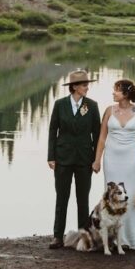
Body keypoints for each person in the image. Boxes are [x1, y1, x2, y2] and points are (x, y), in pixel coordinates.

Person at [92, 78, 135, 251]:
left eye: (116, 90)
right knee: (111, 195)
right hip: (111, 158)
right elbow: (102, 137)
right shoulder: (109, 111)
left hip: (132, 159)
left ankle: (132, 237)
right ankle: (113, 239)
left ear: (125, 94)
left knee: (131, 196)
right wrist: (97, 160)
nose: (113, 93)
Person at [47, 69, 100, 249]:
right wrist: (51, 156)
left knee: (82, 199)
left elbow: (98, 134)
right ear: (75, 87)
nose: (87, 88)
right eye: (84, 85)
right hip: (62, 159)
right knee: (61, 198)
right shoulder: (59, 105)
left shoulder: (92, 106)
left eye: (87, 85)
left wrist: (96, 159)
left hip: (85, 160)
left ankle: (83, 237)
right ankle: (57, 237)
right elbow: (53, 131)